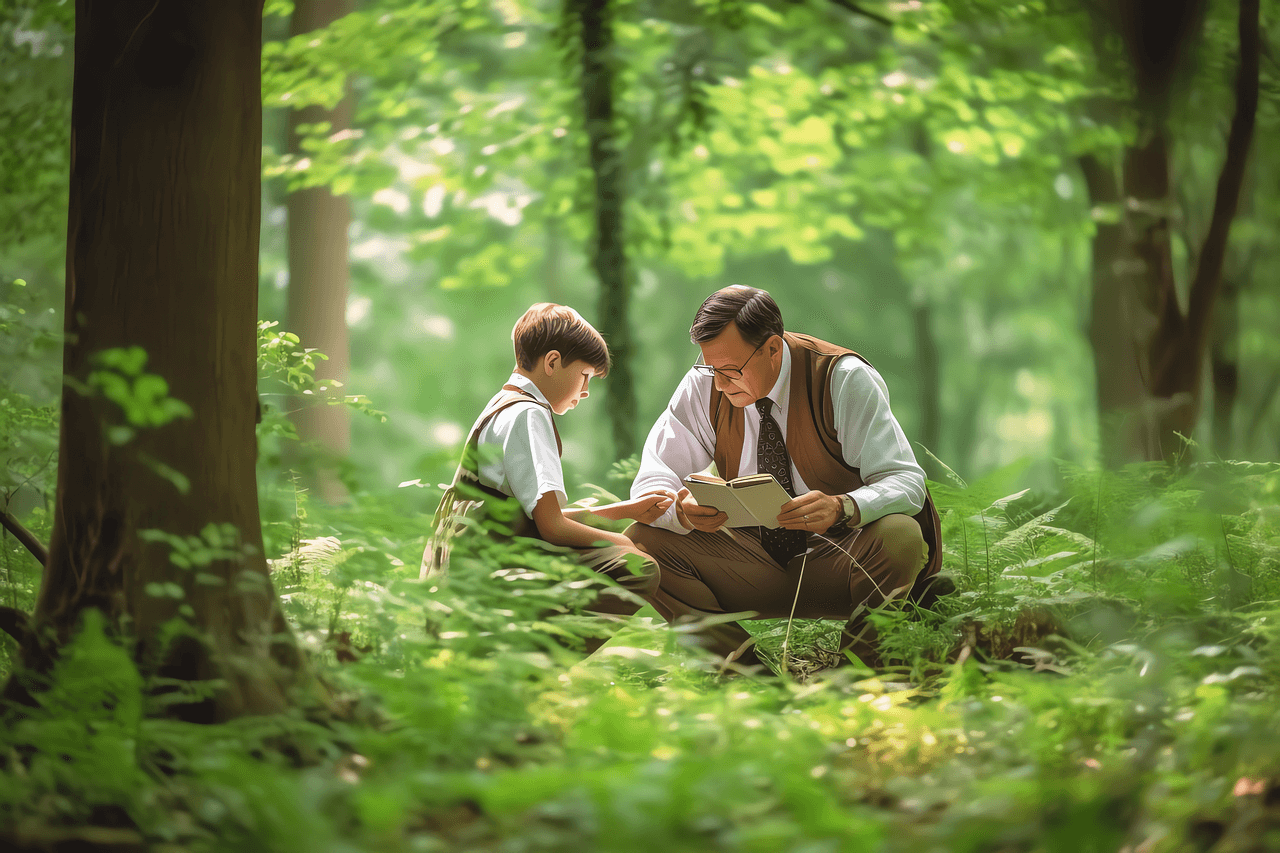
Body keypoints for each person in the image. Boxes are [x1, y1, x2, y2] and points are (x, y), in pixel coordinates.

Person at [627, 286, 945, 670]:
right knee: (642, 542)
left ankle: (858, 674)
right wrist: (681, 512)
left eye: (731, 371)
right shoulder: (704, 383)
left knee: (900, 535)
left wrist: (844, 506)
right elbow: (652, 480)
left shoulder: (842, 379)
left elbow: (906, 481)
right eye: (711, 368)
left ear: (773, 349)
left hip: (843, 560)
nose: (720, 384)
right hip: (751, 563)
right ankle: (744, 674)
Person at [424, 303, 678, 633]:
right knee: (638, 567)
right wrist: (622, 544)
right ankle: (536, 664)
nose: (585, 391)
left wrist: (626, 511)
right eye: (585, 376)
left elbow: (534, 518)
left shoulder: (504, 405)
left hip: (471, 559)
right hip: (495, 565)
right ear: (553, 362)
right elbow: (552, 528)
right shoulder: (529, 416)